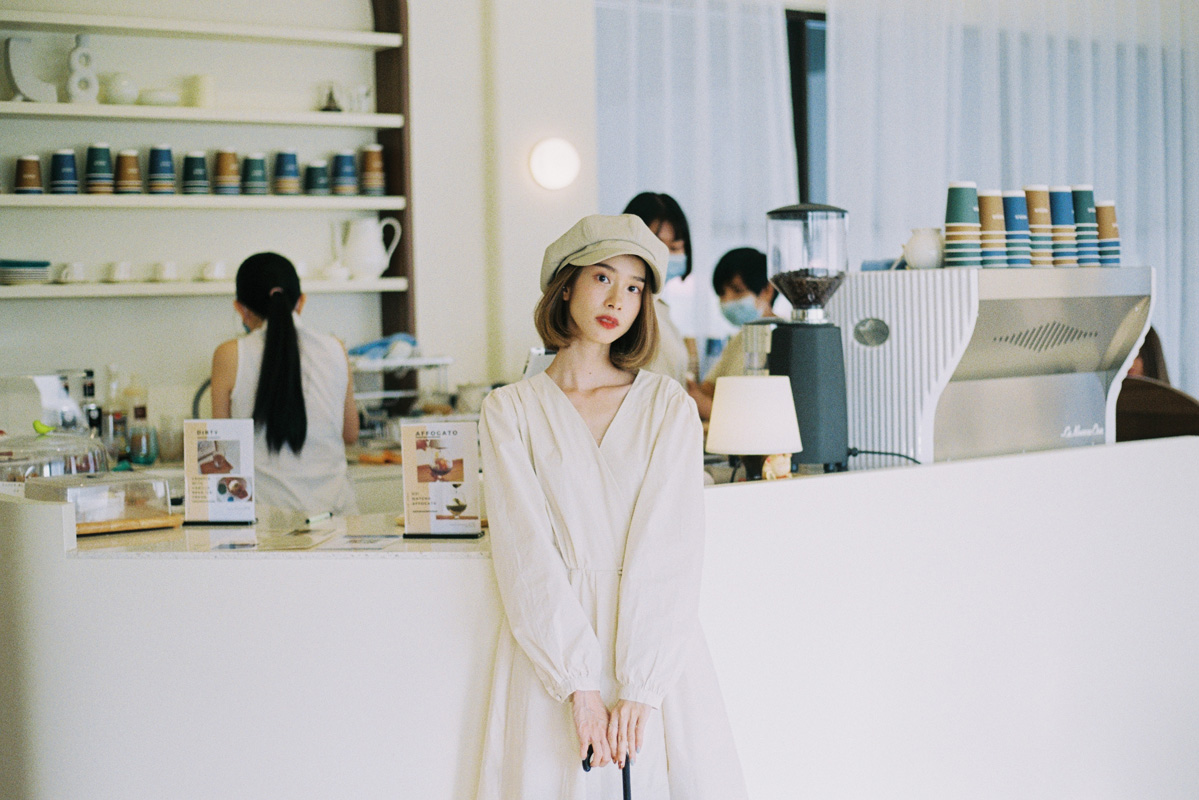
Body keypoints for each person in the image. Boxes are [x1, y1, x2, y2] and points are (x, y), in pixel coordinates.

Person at [477, 214, 747, 799]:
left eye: (634, 287)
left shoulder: (666, 406)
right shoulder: (510, 410)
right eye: (602, 277)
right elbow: (524, 553)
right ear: (565, 285)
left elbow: (671, 548)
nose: (617, 300)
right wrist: (578, 685)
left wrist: (642, 686)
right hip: (550, 649)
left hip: (654, 644)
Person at [210, 252, 359, 516]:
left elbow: (220, 448)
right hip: (338, 519)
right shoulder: (336, 348)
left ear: (241, 309)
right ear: (301, 302)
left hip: (266, 523)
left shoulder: (229, 355)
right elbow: (350, 434)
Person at [687, 246, 779, 419]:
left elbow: (757, 416)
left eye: (737, 290)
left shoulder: (782, 338)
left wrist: (706, 406)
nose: (727, 300)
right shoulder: (741, 338)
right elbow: (709, 387)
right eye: (722, 293)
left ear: (767, 290)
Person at [622, 192, 695, 386]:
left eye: (675, 247)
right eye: (657, 246)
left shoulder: (660, 308)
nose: (665, 256)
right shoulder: (625, 306)